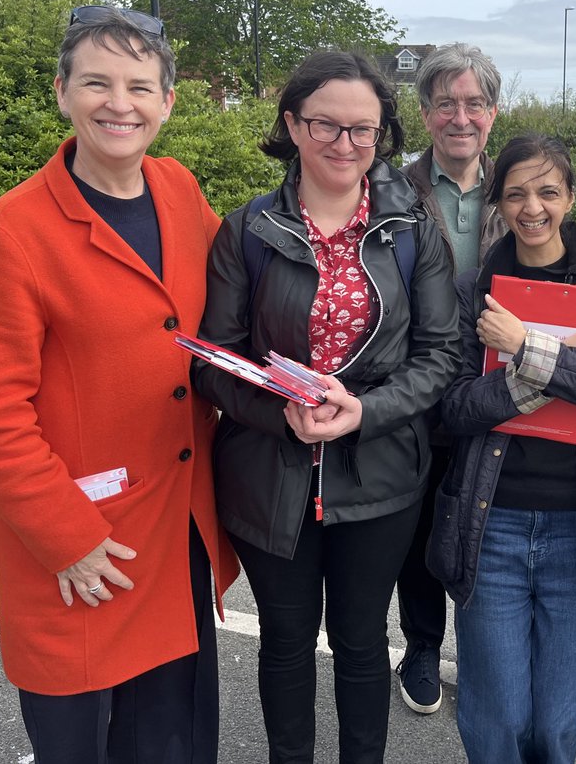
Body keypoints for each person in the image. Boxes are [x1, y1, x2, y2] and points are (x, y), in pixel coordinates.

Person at [0, 5, 239, 764]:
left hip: (175, 530)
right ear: (62, 92)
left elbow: (228, 319)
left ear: (168, 102)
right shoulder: (13, 232)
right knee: (78, 743)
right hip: (85, 546)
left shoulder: (179, 190)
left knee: (173, 740)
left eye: (141, 86)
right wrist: (68, 540)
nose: (120, 103)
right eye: (97, 83)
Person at [191, 51, 460, 764]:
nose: (345, 145)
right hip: (267, 475)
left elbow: (441, 356)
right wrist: (279, 414)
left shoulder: (412, 233)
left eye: (363, 130)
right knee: (284, 641)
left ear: (382, 136)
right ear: (292, 124)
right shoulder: (246, 231)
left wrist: (365, 412)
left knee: (362, 641)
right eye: (325, 125)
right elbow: (214, 362)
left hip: (380, 476)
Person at [428, 134, 576, 764]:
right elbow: (453, 408)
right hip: (491, 521)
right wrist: (560, 366)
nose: (533, 207)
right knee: (495, 712)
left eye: (548, 191)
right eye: (517, 193)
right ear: (499, 202)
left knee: (561, 714)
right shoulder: (474, 287)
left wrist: (525, 344)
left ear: (571, 197)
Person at [395, 42, 507, 714]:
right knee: (418, 530)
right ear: (426, 112)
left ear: (493, 112)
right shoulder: (390, 189)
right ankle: (422, 648)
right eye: (446, 104)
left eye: (473, 103)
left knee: (485, 527)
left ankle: (483, 651)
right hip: (415, 391)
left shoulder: (522, 185)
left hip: (494, 391)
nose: (460, 117)